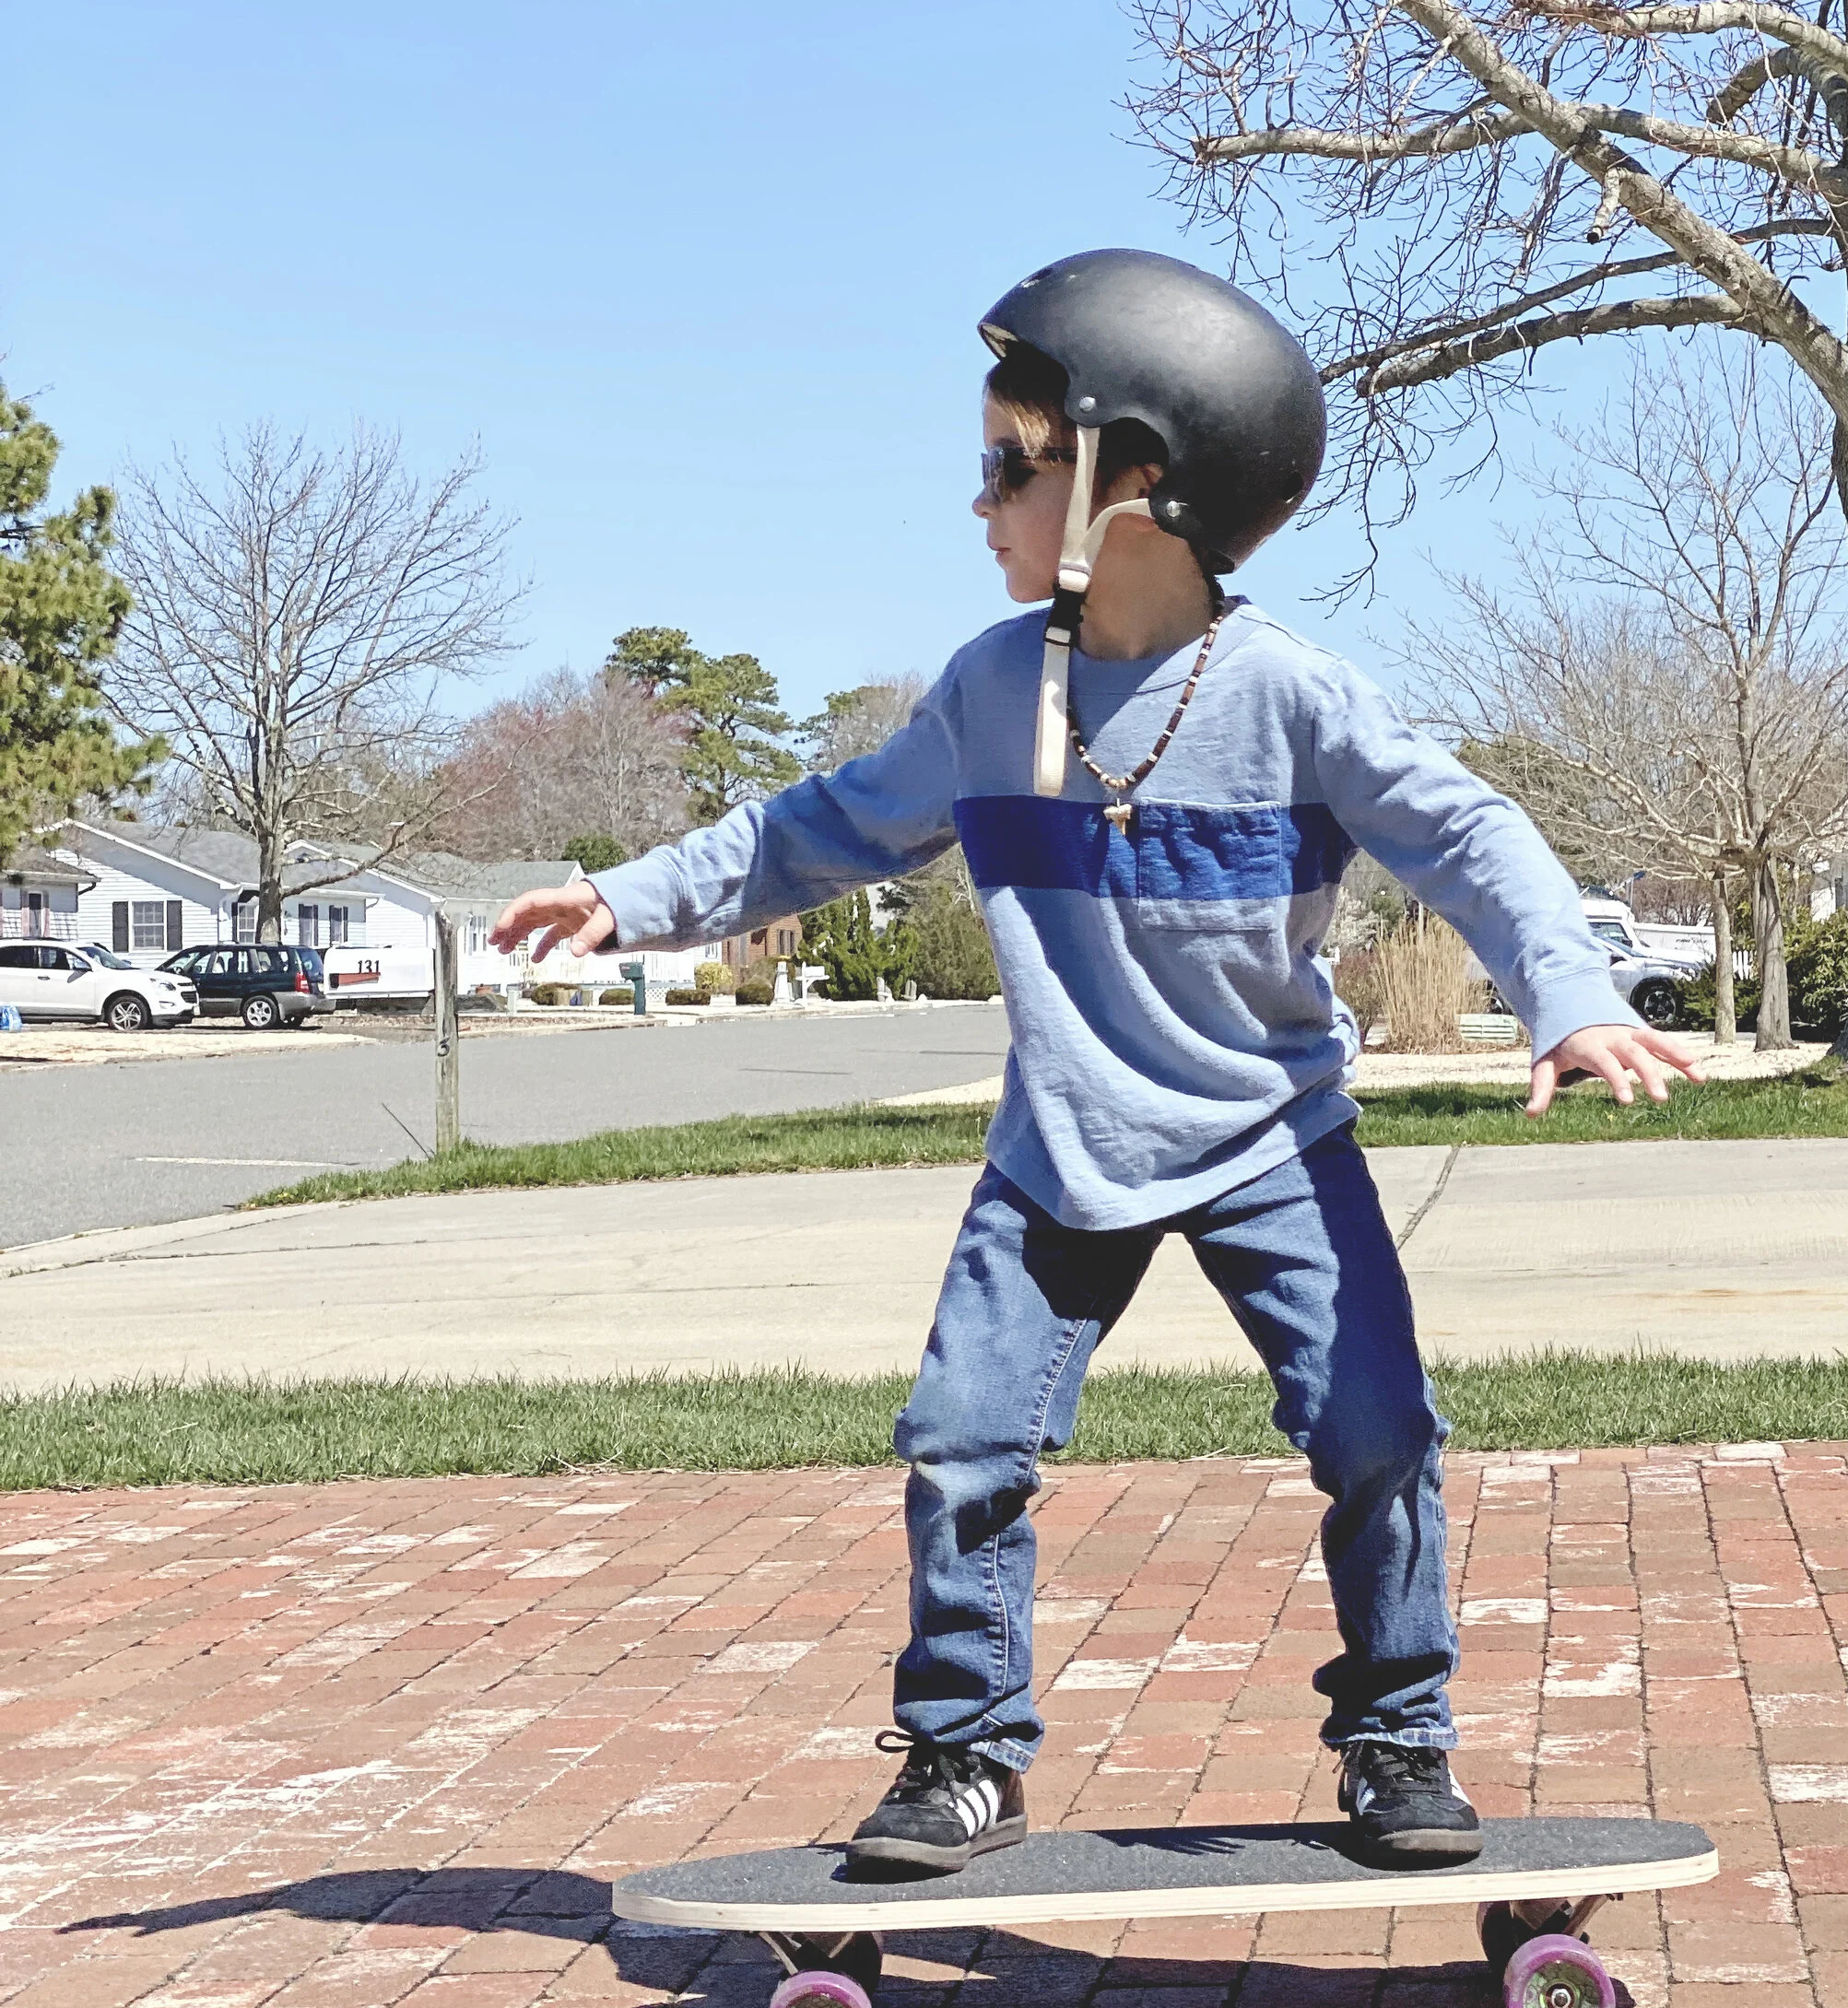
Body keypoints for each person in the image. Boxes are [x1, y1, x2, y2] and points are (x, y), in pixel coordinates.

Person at [491, 249, 1699, 1875]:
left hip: (1272, 1134)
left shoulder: (1290, 696)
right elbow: (822, 826)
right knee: (961, 1438)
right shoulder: (996, 691)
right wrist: (628, 897)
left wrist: (1567, 989)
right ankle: (962, 1755)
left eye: (1012, 463)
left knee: (1377, 1431)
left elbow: (1465, 832)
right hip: (1061, 1147)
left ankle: (1401, 1739)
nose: (980, 500)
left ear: (1138, 483)